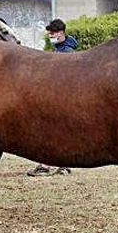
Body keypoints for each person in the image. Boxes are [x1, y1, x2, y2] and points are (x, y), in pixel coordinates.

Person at [27, 19, 80, 176]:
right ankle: (52, 164)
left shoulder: (67, 54)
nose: (50, 36)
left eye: (53, 33)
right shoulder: (59, 50)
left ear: (61, 33)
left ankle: (55, 164)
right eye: (49, 33)